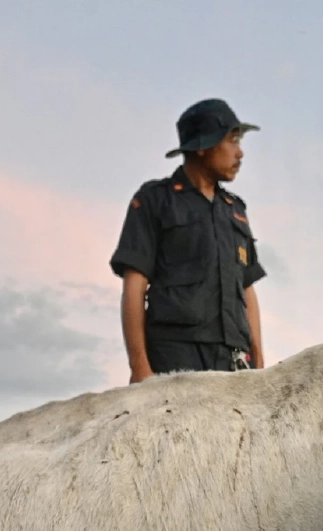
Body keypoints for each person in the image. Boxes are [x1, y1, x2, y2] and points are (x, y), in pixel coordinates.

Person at [110, 98, 267, 383]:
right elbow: (134, 285)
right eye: (232, 141)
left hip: (234, 363)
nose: (240, 153)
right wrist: (139, 367)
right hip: (175, 359)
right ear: (204, 147)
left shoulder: (236, 209)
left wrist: (259, 363)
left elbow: (247, 290)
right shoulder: (155, 200)